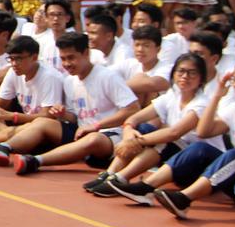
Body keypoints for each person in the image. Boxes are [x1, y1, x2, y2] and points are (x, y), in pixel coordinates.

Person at [0, 33, 139, 175]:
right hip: (79, 133)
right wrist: (62, 114)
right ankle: (3, 147)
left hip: (108, 136)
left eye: (71, 58)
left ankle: (35, 161)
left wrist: (97, 125)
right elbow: (74, 117)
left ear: (86, 53)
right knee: (42, 122)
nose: (67, 64)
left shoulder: (107, 76)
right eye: (63, 59)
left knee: (94, 138)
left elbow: (133, 109)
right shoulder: (70, 81)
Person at [149, 59, 235, 219]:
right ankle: (147, 186)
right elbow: (203, 131)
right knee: (201, 149)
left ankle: (184, 198)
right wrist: (217, 96)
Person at [85, 53, 212, 197]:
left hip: (197, 162)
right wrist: (128, 132)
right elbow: (135, 118)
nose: (185, 76)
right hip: (175, 155)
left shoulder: (202, 103)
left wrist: (136, 140)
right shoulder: (171, 96)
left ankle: (120, 180)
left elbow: (174, 133)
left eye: (192, 73)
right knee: (142, 128)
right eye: (181, 71)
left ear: (201, 79)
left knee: (163, 139)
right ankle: (110, 174)